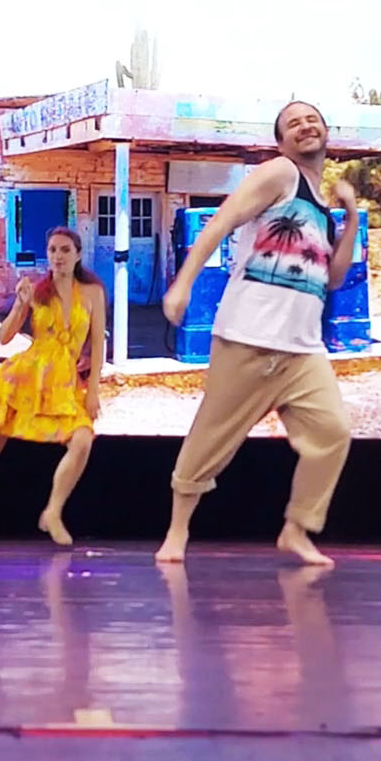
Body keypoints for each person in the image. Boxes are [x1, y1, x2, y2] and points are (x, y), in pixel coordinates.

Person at [158, 100, 358, 567]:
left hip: (302, 350)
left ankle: (296, 529)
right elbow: (222, 221)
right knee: (210, 437)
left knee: (333, 433)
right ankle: (177, 532)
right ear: (281, 142)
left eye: (312, 119)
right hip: (248, 336)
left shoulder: (321, 209)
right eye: (293, 123)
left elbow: (333, 278)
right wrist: (183, 283)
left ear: (326, 131)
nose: (305, 126)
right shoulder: (280, 174)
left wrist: (348, 218)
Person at [0, 227, 104, 550]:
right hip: (26, 377)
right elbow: (4, 336)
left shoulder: (92, 292)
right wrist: (20, 304)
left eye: (65, 250)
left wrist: (93, 390)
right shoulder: (38, 290)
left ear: (78, 254)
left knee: (82, 440)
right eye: (53, 249)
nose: (58, 256)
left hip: (64, 383)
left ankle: (53, 512)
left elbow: (98, 345)